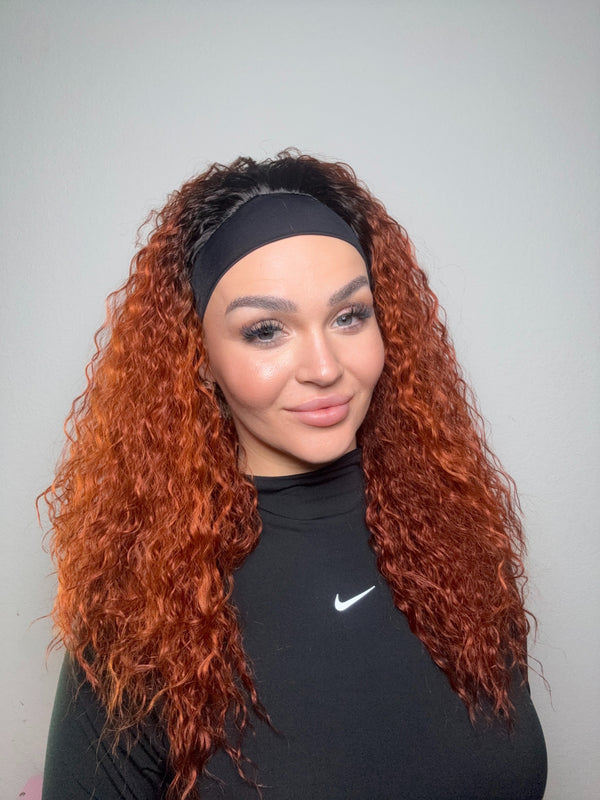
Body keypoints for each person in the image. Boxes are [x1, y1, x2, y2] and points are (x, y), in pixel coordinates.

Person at [40, 151, 547, 800]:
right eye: (266, 330)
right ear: (198, 356)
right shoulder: (141, 612)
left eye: (349, 316)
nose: (324, 367)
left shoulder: (459, 538)